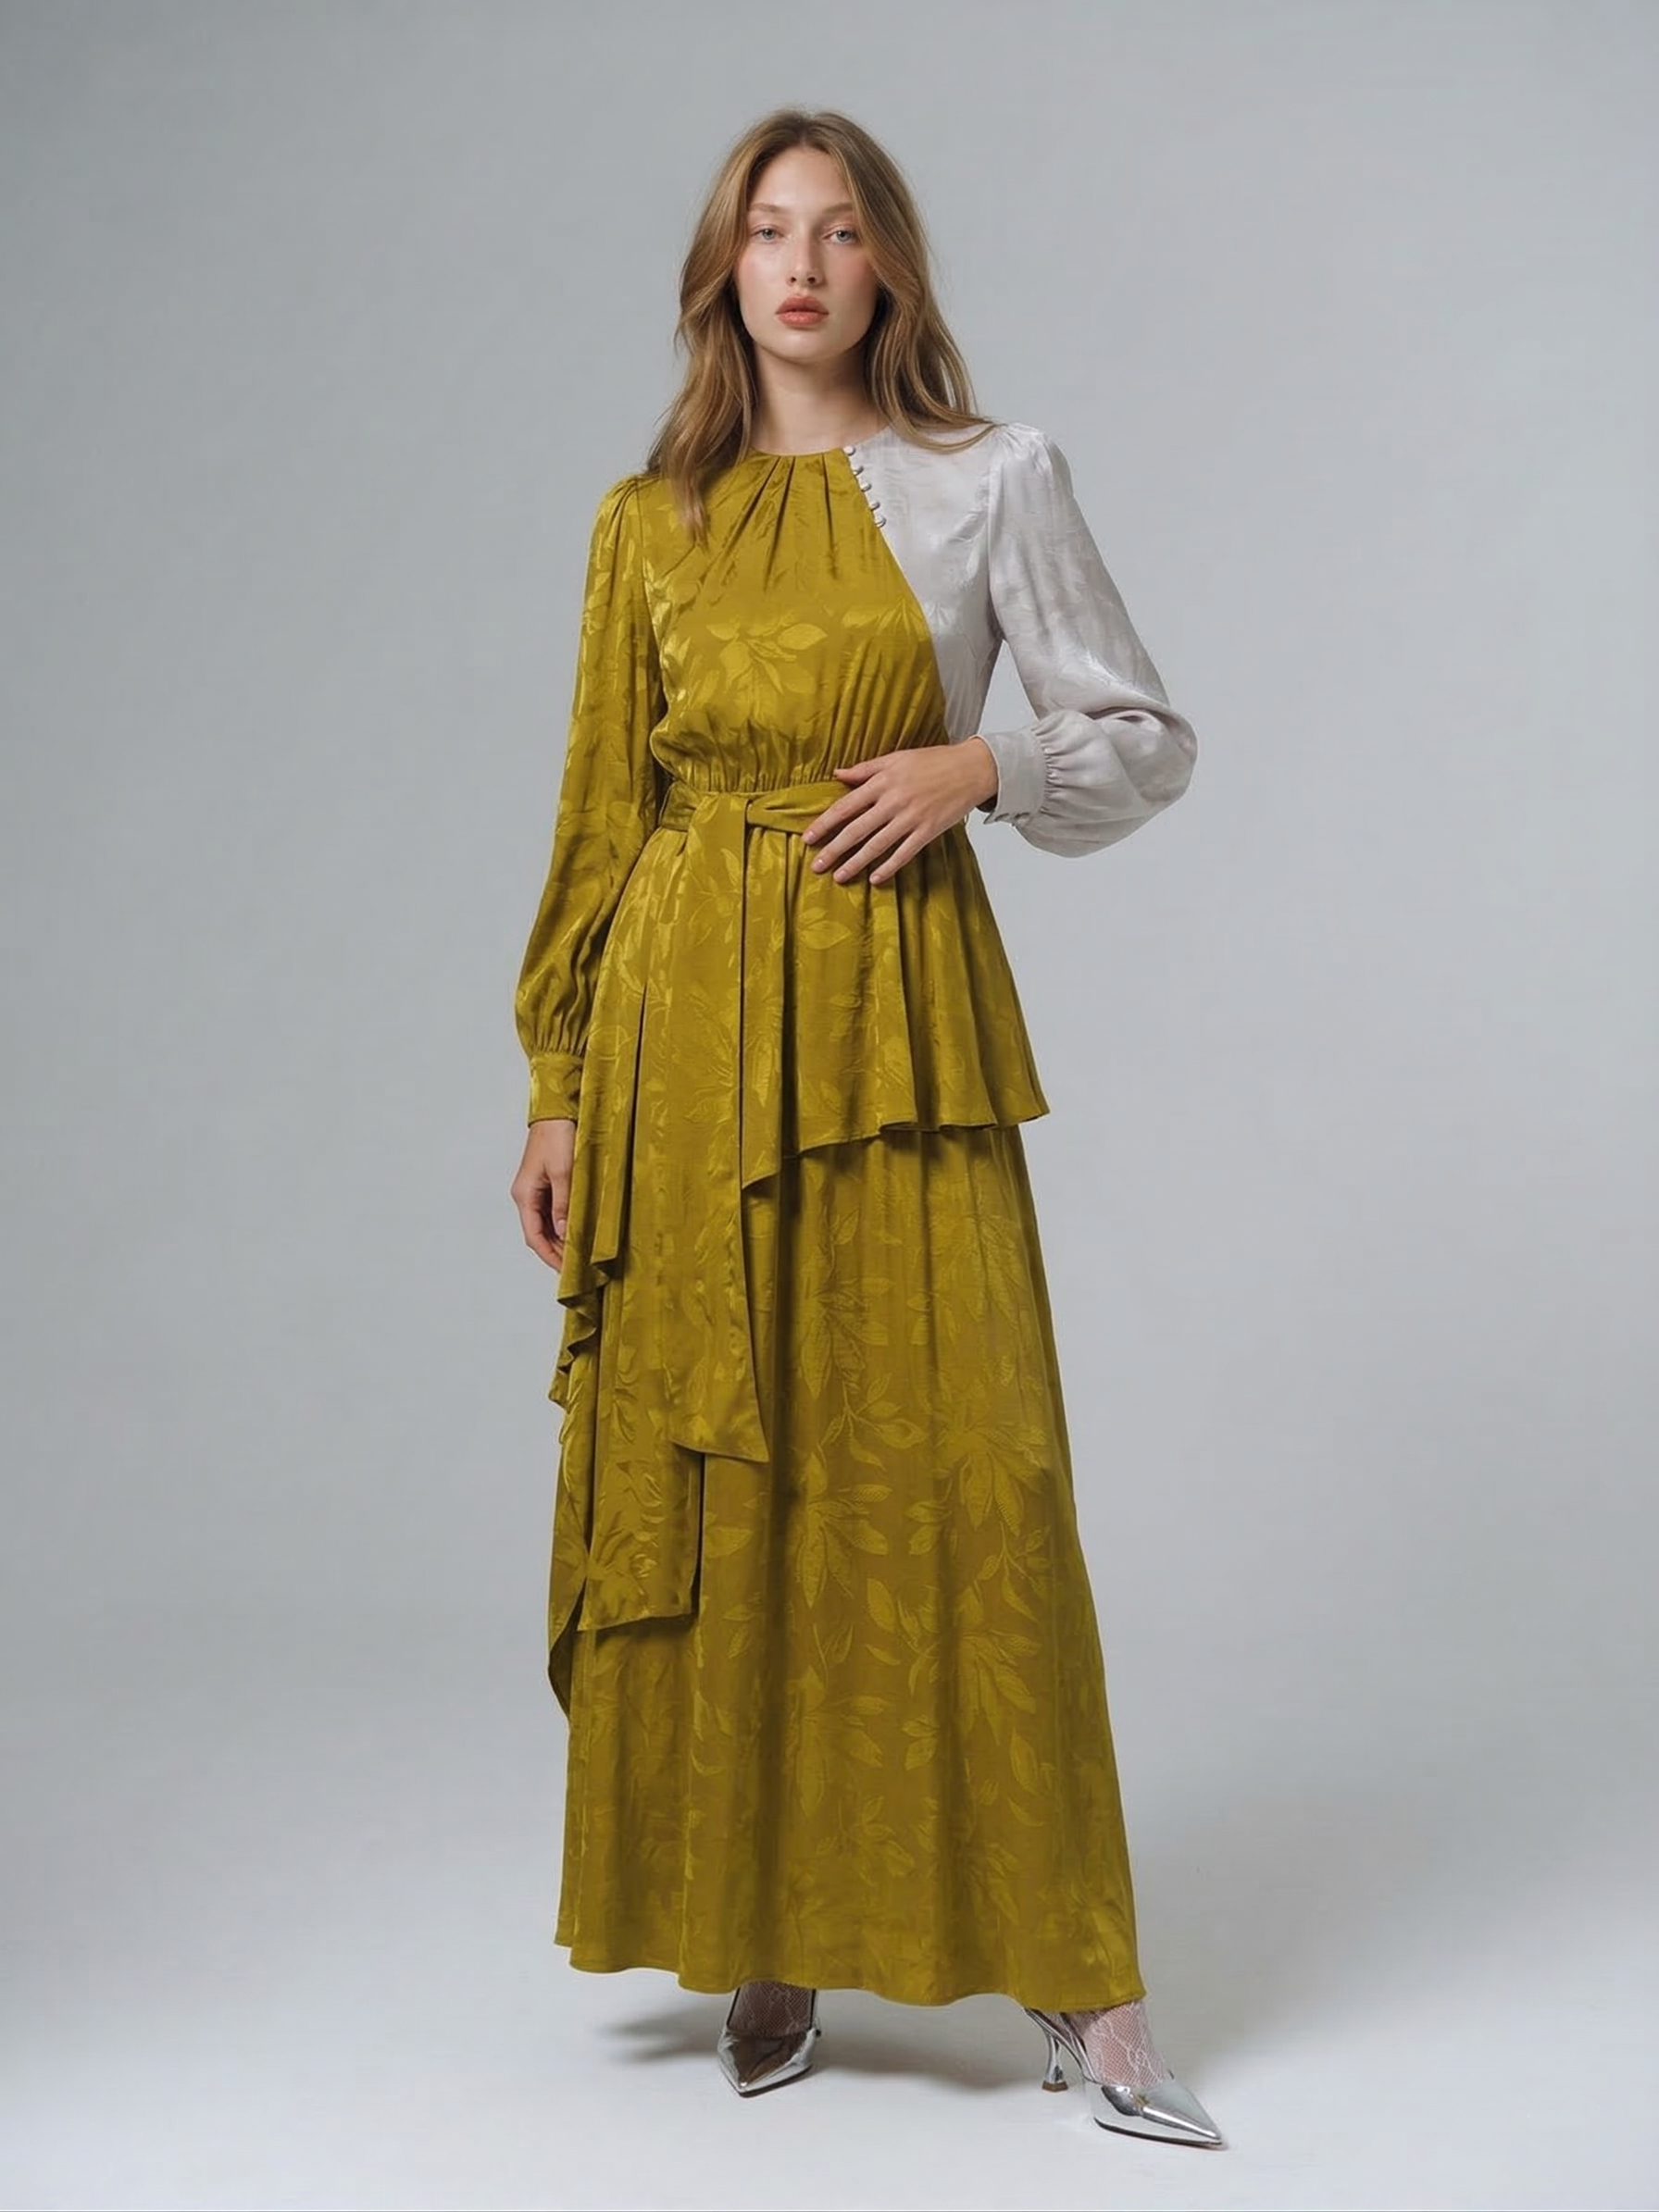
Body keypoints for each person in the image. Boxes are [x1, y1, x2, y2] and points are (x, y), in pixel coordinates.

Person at [509, 106, 1224, 2149]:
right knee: (745, 1467)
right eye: (767, 232)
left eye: (837, 232)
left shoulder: (988, 476)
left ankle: (1090, 1992)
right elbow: (601, 816)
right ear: (724, 270)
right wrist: (558, 1079)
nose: (802, 267)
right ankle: (767, 1925)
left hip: (897, 1025)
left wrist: (974, 767)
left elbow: (1140, 734)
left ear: (887, 264)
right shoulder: (645, 520)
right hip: (681, 1043)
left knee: (970, 1469)